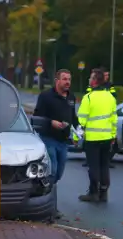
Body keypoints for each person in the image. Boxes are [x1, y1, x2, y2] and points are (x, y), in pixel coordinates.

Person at [33, 69, 78, 218]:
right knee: (52, 172)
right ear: (57, 81)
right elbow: (37, 117)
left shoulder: (71, 97)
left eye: (69, 79)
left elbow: (73, 117)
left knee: (58, 174)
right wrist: (51, 122)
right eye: (64, 79)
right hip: (49, 138)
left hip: (63, 141)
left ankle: (46, 200)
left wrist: (78, 131)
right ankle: (50, 209)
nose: (67, 82)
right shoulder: (46, 96)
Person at [74, 68, 117, 202]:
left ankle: (93, 192)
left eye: (90, 78)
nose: (89, 80)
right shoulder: (110, 97)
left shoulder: (88, 98)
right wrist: (113, 136)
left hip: (92, 139)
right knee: (104, 165)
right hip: (106, 138)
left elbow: (81, 120)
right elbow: (113, 119)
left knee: (93, 166)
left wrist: (76, 137)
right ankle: (104, 193)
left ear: (94, 81)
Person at [82, 68, 117, 168]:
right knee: (97, 162)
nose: (107, 77)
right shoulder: (90, 93)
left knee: (100, 163)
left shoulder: (110, 86)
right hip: (97, 132)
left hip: (99, 133)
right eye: (105, 75)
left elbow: (114, 95)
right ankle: (88, 161)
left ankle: (96, 182)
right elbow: (88, 92)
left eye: (107, 75)